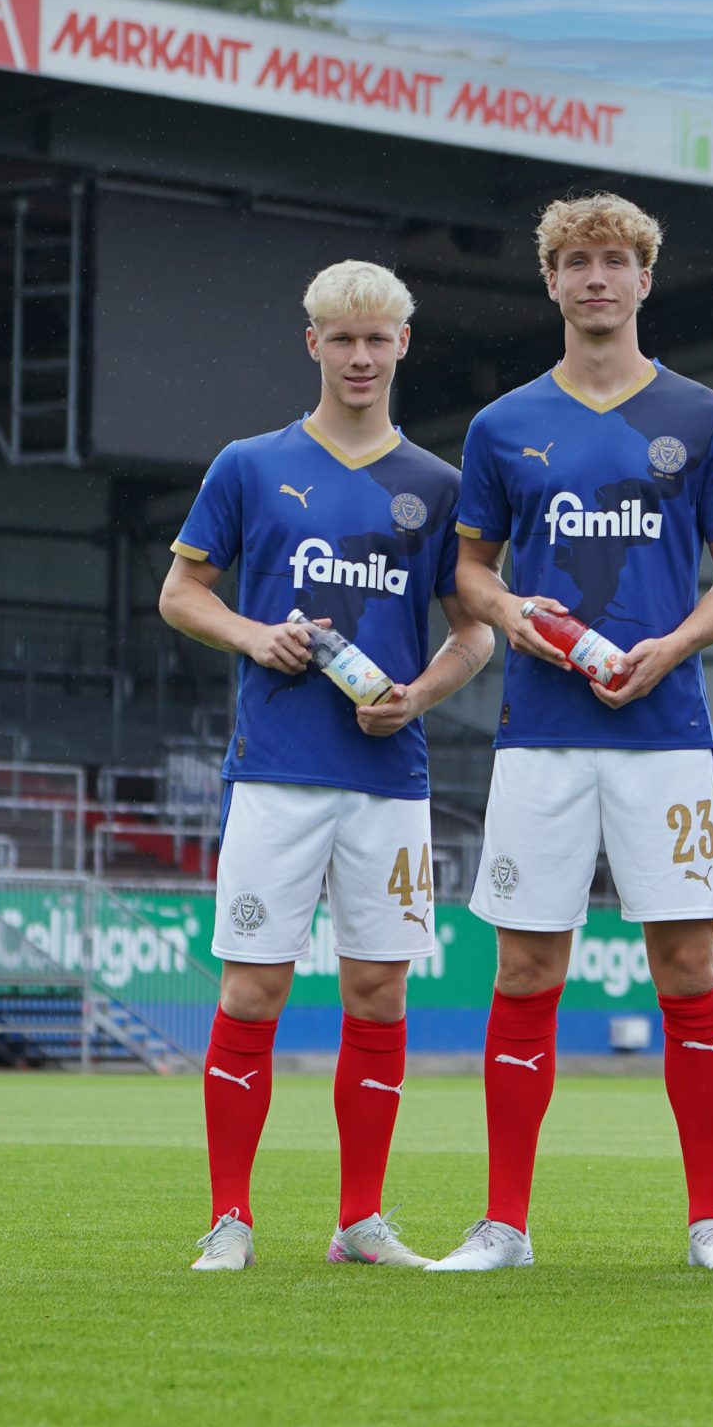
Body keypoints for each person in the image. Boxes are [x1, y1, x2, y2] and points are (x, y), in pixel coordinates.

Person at [430, 193, 713, 1273]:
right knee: (526, 970)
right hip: (541, 732)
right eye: (575, 262)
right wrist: (508, 611)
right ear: (551, 281)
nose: (596, 278)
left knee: (688, 969)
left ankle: (710, 1221)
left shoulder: (705, 416)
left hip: (665, 730)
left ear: (644, 279)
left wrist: (672, 647)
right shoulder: (503, 424)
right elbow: (469, 569)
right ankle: (504, 1224)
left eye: (615, 260)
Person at [160, 260, 491, 1270]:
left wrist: (418, 696)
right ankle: (230, 1218)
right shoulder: (248, 465)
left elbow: (475, 633)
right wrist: (253, 635)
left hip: (389, 782)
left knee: (379, 994)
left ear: (403, 343)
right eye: (340, 338)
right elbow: (181, 593)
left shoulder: (437, 486)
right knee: (250, 993)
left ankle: (360, 1220)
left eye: (376, 337)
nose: (359, 356)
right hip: (274, 771)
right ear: (312, 343)